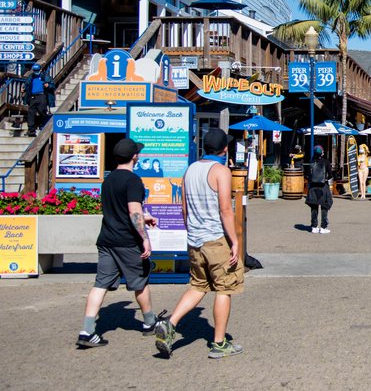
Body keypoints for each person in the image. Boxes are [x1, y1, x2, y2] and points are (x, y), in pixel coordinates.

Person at [155, 128, 245, 359]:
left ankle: (171, 323)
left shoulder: (190, 170)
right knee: (224, 289)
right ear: (225, 149)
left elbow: (183, 208)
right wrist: (234, 241)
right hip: (216, 239)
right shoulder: (221, 171)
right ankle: (219, 342)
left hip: (195, 239)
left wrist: (191, 231)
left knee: (197, 285)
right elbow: (225, 209)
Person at [76, 138, 160, 348]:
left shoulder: (109, 179)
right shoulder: (133, 180)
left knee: (100, 283)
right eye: (137, 153)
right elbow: (133, 211)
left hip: (106, 239)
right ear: (134, 157)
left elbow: (121, 209)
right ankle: (150, 323)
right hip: (127, 241)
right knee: (140, 281)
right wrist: (145, 238)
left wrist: (143, 216)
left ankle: (87, 330)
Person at [306, 145, 333, 233]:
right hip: (323, 186)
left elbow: (307, 175)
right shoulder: (326, 162)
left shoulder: (311, 162)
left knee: (314, 206)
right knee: (324, 206)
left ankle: (314, 226)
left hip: (313, 187)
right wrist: (325, 178)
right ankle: (323, 227)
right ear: (322, 152)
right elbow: (331, 175)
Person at [24, 63, 55, 137]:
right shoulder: (31, 76)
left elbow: (53, 85)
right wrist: (24, 89)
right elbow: (27, 85)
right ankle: (31, 129)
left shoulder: (45, 76)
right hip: (33, 96)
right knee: (31, 112)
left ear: (41, 70)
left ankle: (43, 124)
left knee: (42, 110)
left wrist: (48, 85)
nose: (36, 72)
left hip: (42, 95)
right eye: (34, 70)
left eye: (37, 70)